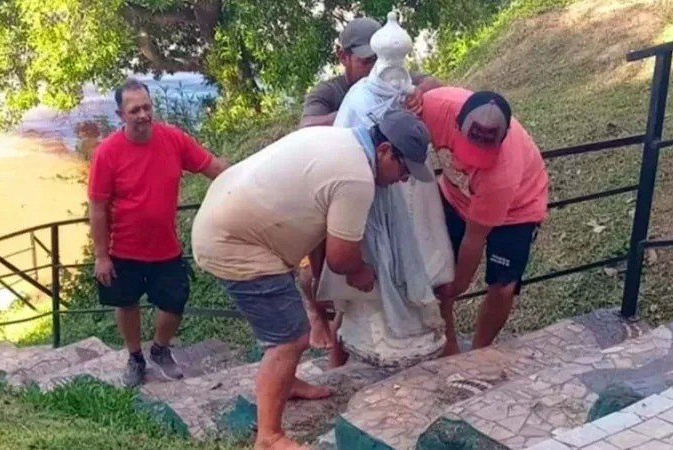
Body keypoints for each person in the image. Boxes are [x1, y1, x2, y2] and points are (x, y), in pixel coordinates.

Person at [192, 109, 433, 450]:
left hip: (226, 217)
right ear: (384, 151)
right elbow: (341, 257)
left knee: (285, 330)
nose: (403, 179)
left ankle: (285, 383)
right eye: (404, 169)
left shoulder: (341, 138)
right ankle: (269, 437)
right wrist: (361, 272)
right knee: (290, 340)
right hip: (235, 243)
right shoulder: (357, 178)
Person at [298, 15, 444, 359]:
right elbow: (307, 126)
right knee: (335, 267)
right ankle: (321, 322)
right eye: (365, 60)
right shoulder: (335, 93)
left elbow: (433, 83)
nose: (372, 67)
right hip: (341, 185)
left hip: (388, 182)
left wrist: (415, 95)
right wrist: (367, 114)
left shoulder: (395, 79)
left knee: (401, 258)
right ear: (343, 56)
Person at [87, 78, 229, 387]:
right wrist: (101, 256)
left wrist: (252, 173)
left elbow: (213, 168)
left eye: (146, 107)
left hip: (166, 247)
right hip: (123, 248)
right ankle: (135, 358)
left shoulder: (173, 139)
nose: (142, 115)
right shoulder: (107, 153)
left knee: (175, 302)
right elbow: (97, 207)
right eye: (134, 109)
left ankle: (161, 349)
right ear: (120, 114)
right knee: (127, 303)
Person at [420, 87, 549, 356]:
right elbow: (413, 88)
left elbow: (474, 236)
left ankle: (480, 351)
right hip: (454, 195)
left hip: (518, 208)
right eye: (469, 146)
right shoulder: (434, 107)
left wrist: (459, 286)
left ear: (502, 138)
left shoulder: (502, 174)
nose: (472, 161)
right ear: (456, 122)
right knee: (439, 271)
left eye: (484, 151)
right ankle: (449, 348)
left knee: (503, 287)